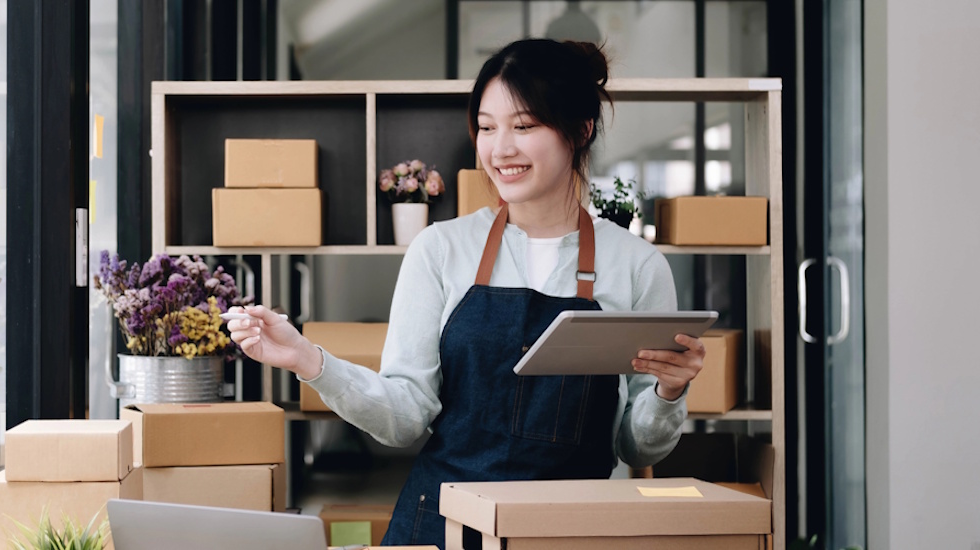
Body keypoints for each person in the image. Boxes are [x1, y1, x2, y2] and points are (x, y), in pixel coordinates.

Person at [227, 38, 706, 549]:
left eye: (524, 126)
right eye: (485, 126)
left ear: (581, 130)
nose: (500, 149)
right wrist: (308, 360)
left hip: (568, 531)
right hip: (443, 526)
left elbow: (637, 448)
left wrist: (668, 392)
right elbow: (405, 418)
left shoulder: (636, 265)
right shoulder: (439, 249)